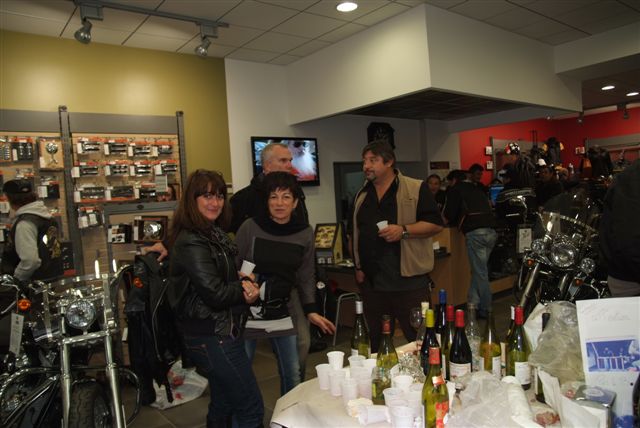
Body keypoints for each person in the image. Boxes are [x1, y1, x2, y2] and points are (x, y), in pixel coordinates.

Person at [165, 169, 264, 428]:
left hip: (216, 332)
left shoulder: (212, 233)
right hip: (213, 335)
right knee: (251, 408)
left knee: (224, 402)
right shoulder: (192, 240)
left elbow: (214, 279)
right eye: (207, 196)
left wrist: (239, 279)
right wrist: (244, 288)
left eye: (219, 196)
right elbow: (215, 293)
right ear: (192, 200)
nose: (215, 202)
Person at [235, 172, 335, 395]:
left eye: (286, 197)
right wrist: (243, 283)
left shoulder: (304, 233)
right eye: (273, 197)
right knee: (240, 370)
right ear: (266, 201)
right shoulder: (250, 227)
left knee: (292, 371)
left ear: (295, 202)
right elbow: (234, 264)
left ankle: (289, 411)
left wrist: (311, 310)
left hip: (283, 306)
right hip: (248, 307)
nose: (279, 203)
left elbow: (306, 274)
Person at [349, 141, 443, 350]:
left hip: (409, 282)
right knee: (376, 343)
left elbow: (436, 225)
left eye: (373, 160)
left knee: (420, 340)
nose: (366, 166)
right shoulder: (361, 195)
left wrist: (404, 230)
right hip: (373, 284)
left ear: (389, 161)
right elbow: (354, 233)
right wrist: (358, 266)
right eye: (364, 161)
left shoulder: (416, 188)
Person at [442, 170, 497, 318]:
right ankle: (473, 304)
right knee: (478, 271)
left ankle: (486, 308)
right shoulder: (477, 188)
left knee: (480, 273)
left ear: (454, 180)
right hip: (491, 232)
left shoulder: (455, 190)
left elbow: (448, 215)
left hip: (475, 233)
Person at [230, 142, 309, 234]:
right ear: (267, 166)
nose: (290, 166)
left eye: (290, 161)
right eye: (283, 160)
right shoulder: (243, 198)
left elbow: (302, 223)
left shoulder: (296, 191)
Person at [0, 179, 63, 283]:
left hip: (31, 284)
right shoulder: (46, 217)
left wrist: (16, 280)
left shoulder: (25, 223)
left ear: (10, 199)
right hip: (49, 279)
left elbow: (30, 261)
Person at [599, 159, 640, 297]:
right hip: (626, 275)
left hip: (621, 273)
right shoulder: (630, 178)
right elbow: (629, 238)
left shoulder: (625, 176)